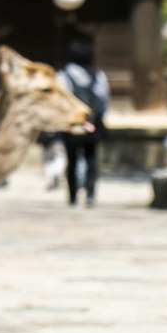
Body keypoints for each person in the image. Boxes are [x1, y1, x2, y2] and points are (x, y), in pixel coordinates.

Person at [58, 37, 108, 207]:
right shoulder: (98, 75)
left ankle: (72, 197)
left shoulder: (64, 75)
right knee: (91, 159)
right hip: (92, 122)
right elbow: (103, 99)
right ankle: (90, 195)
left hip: (72, 123)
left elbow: (62, 100)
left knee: (71, 160)